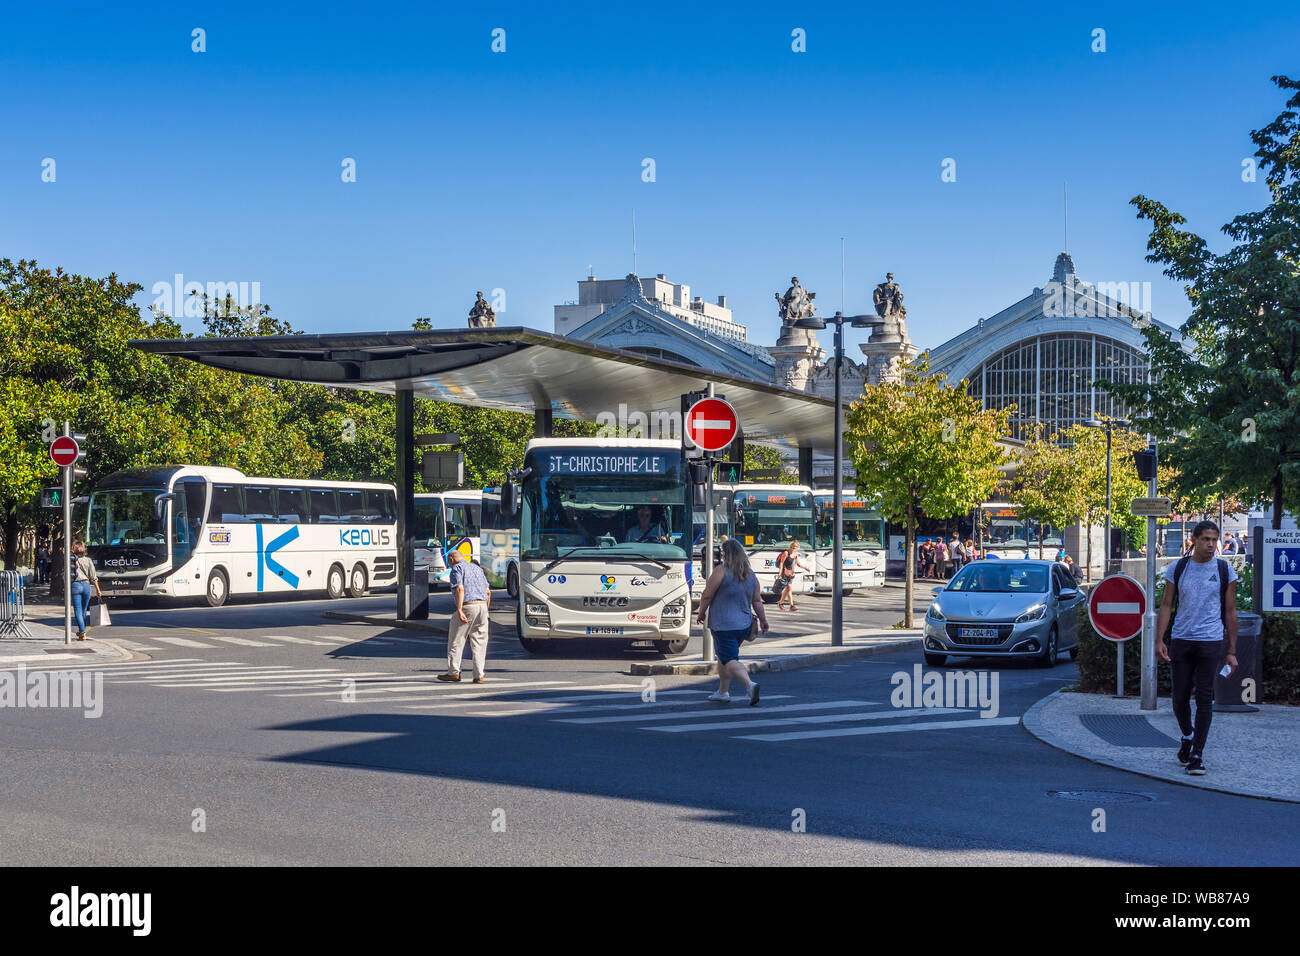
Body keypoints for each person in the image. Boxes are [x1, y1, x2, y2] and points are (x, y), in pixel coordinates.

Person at [1155, 521, 1238, 776]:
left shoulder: (1225, 570)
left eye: (1214, 540)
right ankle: (1187, 736)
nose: (1211, 545)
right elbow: (1167, 605)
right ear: (1194, 540)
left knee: (1204, 698)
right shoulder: (1178, 568)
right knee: (1179, 698)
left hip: (1210, 641)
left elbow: (1230, 611)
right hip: (1182, 639)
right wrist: (1159, 639)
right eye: (1206, 539)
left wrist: (1231, 651)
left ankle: (1197, 755)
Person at [696, 537, 769, 705]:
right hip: (744, 624)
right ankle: (723, 692)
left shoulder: (721, 571)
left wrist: (701, 612)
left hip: (724, 625)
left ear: (725, 554)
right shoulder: (750, 575)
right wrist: (763, 620)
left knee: (729, 660)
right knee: (724, 657)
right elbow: (757, 601)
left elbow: (707, 594)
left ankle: (750, 685)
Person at [438, 550, 492, 683]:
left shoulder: (457, 568)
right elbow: (488, 592)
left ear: (451, 559)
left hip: (468, 605)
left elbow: (460, 589)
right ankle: (479, 675)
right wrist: (487, 610)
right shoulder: (477, 568)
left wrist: (459, 609)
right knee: (480, 642)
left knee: (456, 640)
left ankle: (454, 672)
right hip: (483, 606)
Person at [68, 539, 101, 641]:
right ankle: (82, 631)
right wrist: (98, 590)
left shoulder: (71, 559)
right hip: (86, 585)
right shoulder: (88, 560)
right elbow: (93, 577)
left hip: (76, 585)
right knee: (83, 610)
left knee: (77, 610)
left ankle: (82, 632)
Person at [775, 540, 810, 610]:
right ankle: (791, 605)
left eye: (796, 547)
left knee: (787, 589)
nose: (794, 548)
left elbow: (798, 563)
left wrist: (805, 568)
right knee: (789, 588)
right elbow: (781, 563)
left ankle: (781, 603)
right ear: (791, 547)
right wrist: (779, 573)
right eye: (793, 546)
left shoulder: (796, 554)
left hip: (790, 573)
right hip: (784, 572)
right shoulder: (786, 553)